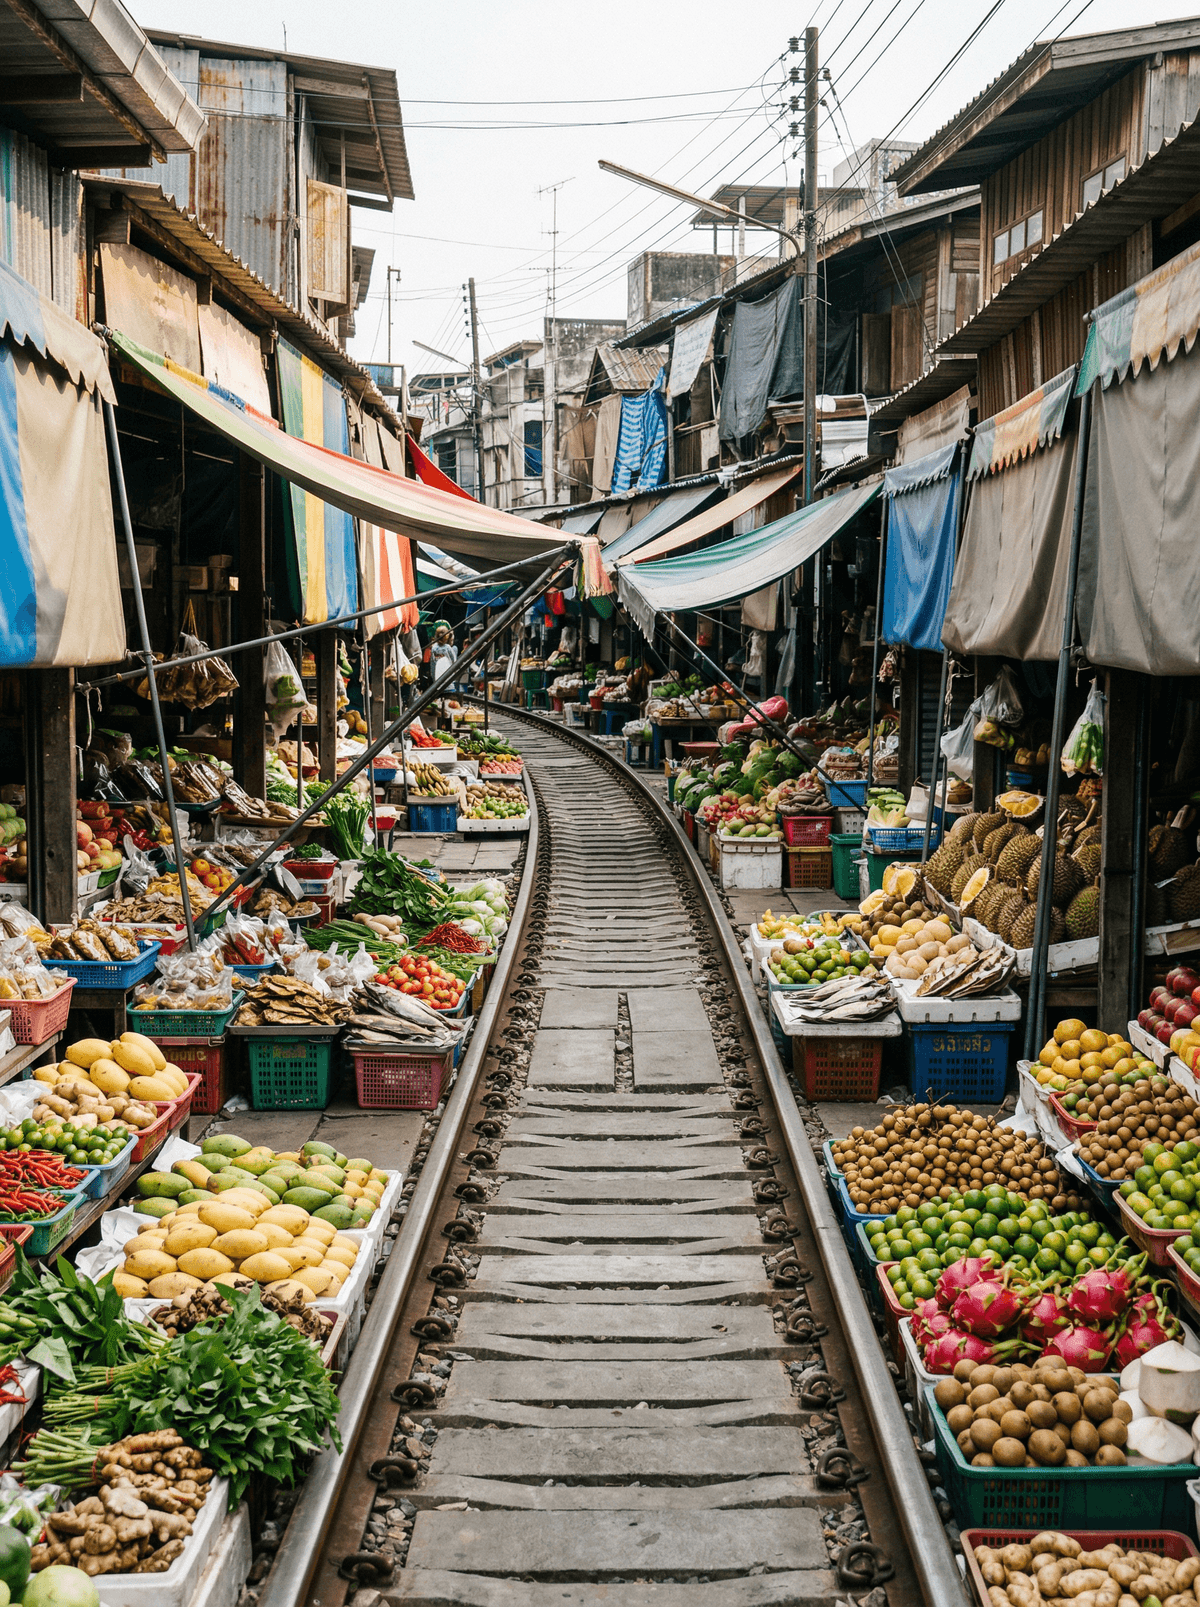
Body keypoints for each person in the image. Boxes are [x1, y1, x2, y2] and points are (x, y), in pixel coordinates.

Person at [429, 621, 458, 686]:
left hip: (437, 674)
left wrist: (433, 675)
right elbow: (454, 661)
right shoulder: (448, 648)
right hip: (447, 675)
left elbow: (432, 663)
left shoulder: (434, 648)